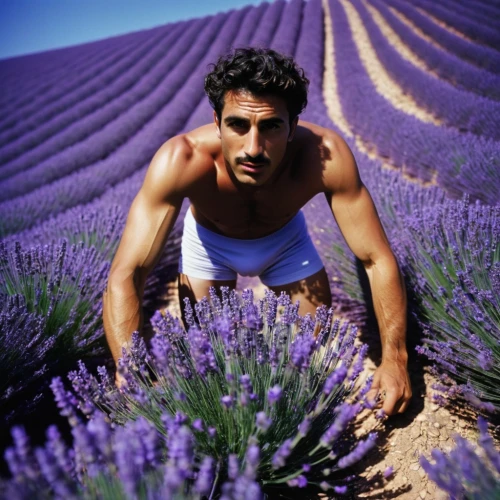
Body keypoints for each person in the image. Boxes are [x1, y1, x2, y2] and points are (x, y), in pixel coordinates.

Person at [102, 47, 412, 416]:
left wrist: (395, 360)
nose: (253, 148)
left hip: (285, 242)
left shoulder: (324, 155)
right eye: (238, 125)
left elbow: (376, 259)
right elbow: (128, 272)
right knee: (209, 360)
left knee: (310, 356)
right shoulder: (181, 160)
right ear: (217, 122)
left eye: (271, 127)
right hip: (209, 245)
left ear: (292, 126)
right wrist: (130, 367)